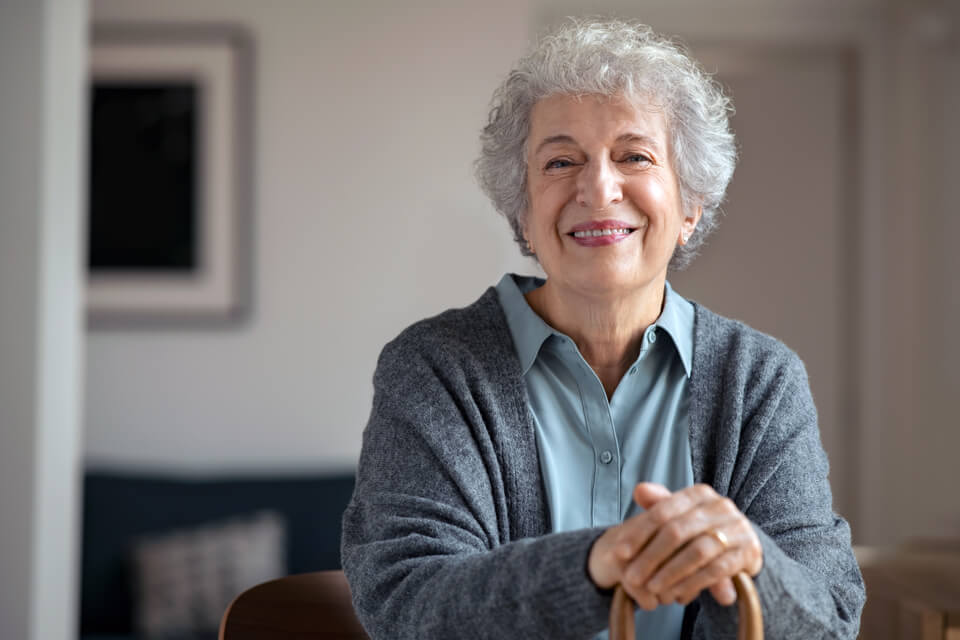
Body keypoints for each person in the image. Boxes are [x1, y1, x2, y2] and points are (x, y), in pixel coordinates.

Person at [341, 18, 864, 639]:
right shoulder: (433, 368)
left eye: (634, 156)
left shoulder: (761, 380)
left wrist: (748, 562)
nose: (598, 187)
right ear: (524, 214)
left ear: (690, 206)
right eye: (561, 161)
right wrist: (593, 568)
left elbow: (828, 622)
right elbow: (408, 605)